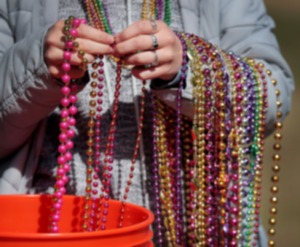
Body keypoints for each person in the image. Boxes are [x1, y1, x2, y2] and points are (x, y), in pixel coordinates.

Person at [0, 0, 294, 246]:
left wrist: (188, 69)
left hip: (198, 231)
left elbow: (272, 96)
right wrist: (38, 63)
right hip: (48, 231)